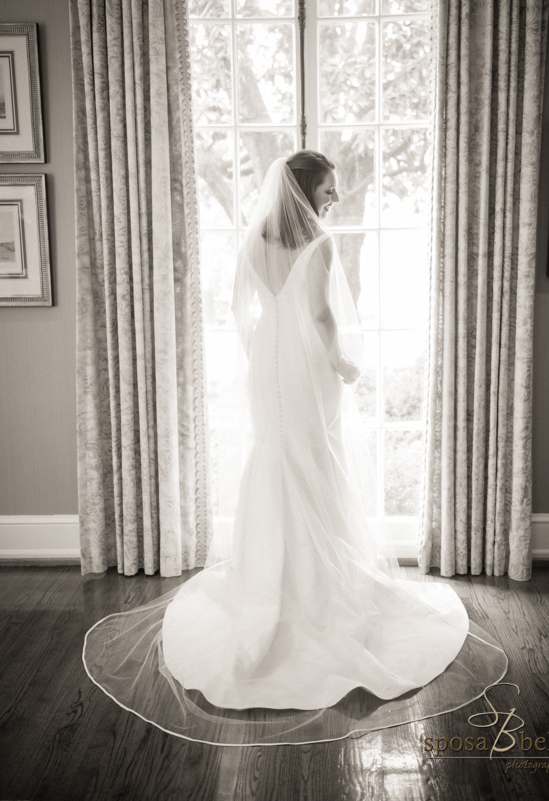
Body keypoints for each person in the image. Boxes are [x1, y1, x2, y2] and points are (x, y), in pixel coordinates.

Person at [83, 152, 507, 744]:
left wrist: (264, 347)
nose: (335, 199)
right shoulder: (321, 246)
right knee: (313, 464)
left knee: (276, 460)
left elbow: (244, 311)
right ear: (307, 190)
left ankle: (271, 581)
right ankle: (315, 590)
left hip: (267, 365)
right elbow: (324, 315)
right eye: (329, 190)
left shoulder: (256, 241)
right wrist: (343, 363)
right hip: (306, 368)